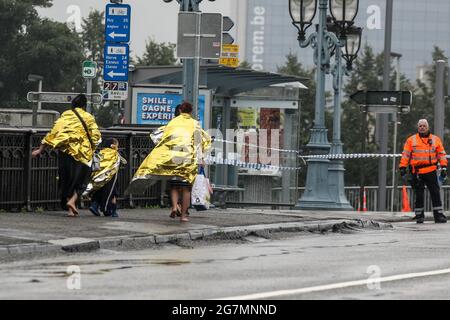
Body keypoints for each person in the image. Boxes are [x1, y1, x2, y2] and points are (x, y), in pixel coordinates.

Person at [127, 102, 211, 222]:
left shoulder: (173, 122)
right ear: (191, 112)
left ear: (181, 110)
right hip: (187, 160)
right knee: (186, 189)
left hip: (172, 159)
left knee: (174, 186)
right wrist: (200, 158)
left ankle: (173, 206)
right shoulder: (194, 124)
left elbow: (162, 138)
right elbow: (198, 142)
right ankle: (183, 216)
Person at [32, 94, 101, 217]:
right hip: (83, 155)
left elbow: (54, 132)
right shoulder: (88, 117)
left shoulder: (65, 115)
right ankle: (73, 201)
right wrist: (92, 148)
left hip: (66, 153)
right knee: (83, 180)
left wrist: (40, 149)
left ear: (72, 105)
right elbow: (96, 137)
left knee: (67, 179)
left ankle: (70, 209)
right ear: (84, 106)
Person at [399, 119, 447, 223]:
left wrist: (444, 167)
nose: (422, 127)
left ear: (428, 127)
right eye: (420, 126)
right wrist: (402, 167)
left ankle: (438, 215)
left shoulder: (435, 139)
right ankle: (419, 215)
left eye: (424, 126)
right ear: (418, 127)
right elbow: (406, 154)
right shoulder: (411, 140)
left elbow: (441, 154)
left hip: (431, 170)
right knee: (418, 194)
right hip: (417, 172)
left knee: (435, 193)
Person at [84, 138, 127, 218]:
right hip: (111, 176)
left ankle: (95, 205)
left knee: (99, 190)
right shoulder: (115, 154)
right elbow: (123, 162)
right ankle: (110, 210)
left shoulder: (101, 152)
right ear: (114, 145)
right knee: (112, 192)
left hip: (100, 177)